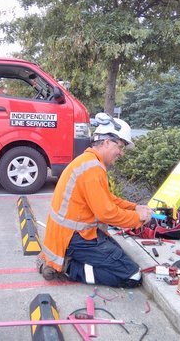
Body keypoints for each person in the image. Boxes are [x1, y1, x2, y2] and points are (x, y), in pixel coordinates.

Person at [37, 113, 153, 288]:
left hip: (71, 235)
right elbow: (107, 213)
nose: (121, 153)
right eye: (120, 146)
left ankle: (68, 261)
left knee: (119, 259)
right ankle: (68, 268)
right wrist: (139, 218)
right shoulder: (93, 168)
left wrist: (135, 207)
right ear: (107, 142)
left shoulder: (89, 162)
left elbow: (107, 199)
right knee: (133, 276)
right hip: (74, 239)